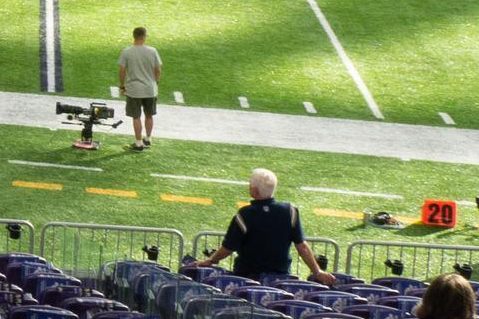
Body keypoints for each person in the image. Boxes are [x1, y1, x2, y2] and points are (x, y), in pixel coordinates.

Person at [196, 169, 336, 284]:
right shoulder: (290, 211)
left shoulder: (245, 214)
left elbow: (228, 247)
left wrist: (211, 260)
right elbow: (302, 246)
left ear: (255, 191)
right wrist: (317, 271)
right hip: (279, 279)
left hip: (247, 278)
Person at [117, 26, 162, 150]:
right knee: (149, 115)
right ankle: (147, 139)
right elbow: (158, 69)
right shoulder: (153, 51)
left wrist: (122, 85)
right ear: (144, 36)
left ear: (134, 36)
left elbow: (122, 71)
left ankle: (138, 143)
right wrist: (155, 82)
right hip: (150, 89)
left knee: (136, 117)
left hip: (134, 90)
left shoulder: (127, 52)